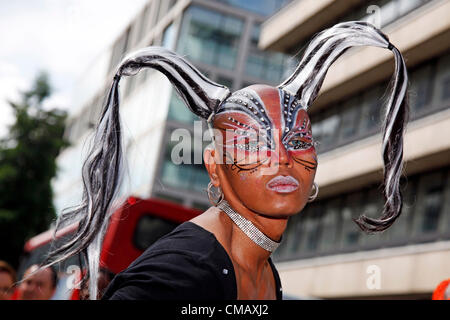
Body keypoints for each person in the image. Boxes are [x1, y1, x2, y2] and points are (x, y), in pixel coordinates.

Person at [42, 21, 409, 300]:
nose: (281, 158)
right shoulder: (183, 271)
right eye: (251, 144)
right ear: (214, 166)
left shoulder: (262, 267)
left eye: (296, 140)